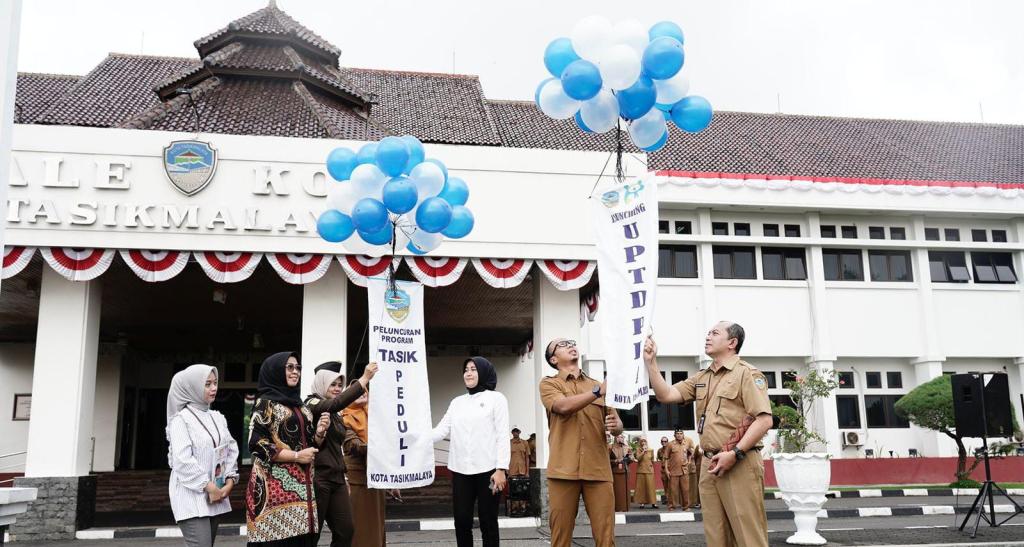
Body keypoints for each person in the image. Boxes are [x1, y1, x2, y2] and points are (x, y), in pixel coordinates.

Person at [645, 322, 774, 547]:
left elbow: (763, 419)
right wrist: (651, 362)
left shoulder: (747, 373)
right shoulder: (702, 377)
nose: (708, 337)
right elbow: (666, 394)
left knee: (748, 534)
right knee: (716, 534)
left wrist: (734, 452)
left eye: (715, 333)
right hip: (709, 462)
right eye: (707, 333)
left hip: (739, 461)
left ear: (732, 343)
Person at [539, 337, 623, 547]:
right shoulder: (549, 384)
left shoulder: (597, 384)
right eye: (562, 345)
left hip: (599, 469)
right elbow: (563, 406)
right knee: (561, 537)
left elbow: (617, 423)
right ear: (553, 358)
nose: (570, 345)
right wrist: (596, 393)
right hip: (562, 470)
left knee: (606, 537)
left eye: (572, 342)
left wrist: (617, 425)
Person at [244, 352, 331, 546]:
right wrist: (297, 456)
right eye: (289, 367)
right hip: (274, 491)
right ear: (275, 371)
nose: (295, 372)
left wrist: (319, 434)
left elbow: (309, 446)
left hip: (303, 491)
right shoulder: (265, 403)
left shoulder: (300, 406)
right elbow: (257, 444)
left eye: (298, 367)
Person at [431, 357, 510, 547]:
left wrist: (501, 469)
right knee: (462, 520)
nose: (468, 373)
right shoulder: (457, 402)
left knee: (488, 520)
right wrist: (411, 437)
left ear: (483, 372)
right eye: (466, 369)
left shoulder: (496, 398)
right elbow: (441, 431)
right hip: (460, 471)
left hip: (489, 471)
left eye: (473, 369)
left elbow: (502, 435)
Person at [304, 361, 378, 547]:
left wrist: (344, 477)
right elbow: (336, 404)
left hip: (337, 478)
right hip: (318, 478)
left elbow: (336, 448)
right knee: (313, 534)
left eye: (339, 385)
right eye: (333, 384)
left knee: (346, 531)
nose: (337, 389)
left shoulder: (335, 414)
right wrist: (364, 378)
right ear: (321, 383)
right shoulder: (311, 403)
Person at [166, 365, 239, 547]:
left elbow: (230, 448)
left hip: (216, 494)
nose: (214, 388)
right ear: (193, 387)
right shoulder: (180, 420)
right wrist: (208, 486)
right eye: (207, 384)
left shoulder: (217, 417)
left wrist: (229, 480)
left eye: (215, 383)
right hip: (191, 496)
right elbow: (182, 461)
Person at [342, 379, 386, 547]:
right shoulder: (345, 417)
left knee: (376, 527)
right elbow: (352, 445)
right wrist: (378, 447)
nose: (361, 393)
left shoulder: (374, 417)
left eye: (363, 390)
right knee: (361, 529)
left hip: (377, 479)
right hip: (358, 481)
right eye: (356, 391)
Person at [508, 427, 531, 516]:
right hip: (512, 470)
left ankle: (523, 508)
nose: (515, 433)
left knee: (523, 490)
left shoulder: (525, 443)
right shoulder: (509, 443)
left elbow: (527, 458)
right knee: (513, 491)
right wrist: (507, 470)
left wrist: (527, 471)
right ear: (512, 433)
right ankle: (514, 508)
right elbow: (506, 457)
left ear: (520, 432)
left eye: (517, 431)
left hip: (522, 470)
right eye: (514, 431)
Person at [666, 430, 691, 510]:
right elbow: (666, 458)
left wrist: (689, 461)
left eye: (681, 434)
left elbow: (690, 452)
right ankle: (671, 506)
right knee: (673, 490)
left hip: (684, 470)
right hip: (673, 471)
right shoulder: (670, 444)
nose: (679, 435)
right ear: (674, 435)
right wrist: (666, 470)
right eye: (677, 434)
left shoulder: (686, 443)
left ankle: (686, 506)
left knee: (685, 489)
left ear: (683, 435)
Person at [632, 438, 657, 509]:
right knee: (642, 487)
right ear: (640, 443)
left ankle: (653, 503)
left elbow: (652, 460)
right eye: (642, 441)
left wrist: (652, 468)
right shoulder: (638, 450)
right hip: (641, 470)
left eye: (644, 441)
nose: (643, 443)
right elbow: (638, 458)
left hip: (649, 470)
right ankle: (642, 503)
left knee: (651, 487)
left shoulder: (651, 450)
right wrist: (643, 451)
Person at [609, 434, 631, 512]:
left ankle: (625, 507)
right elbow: (606, 460)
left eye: (621, 437)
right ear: (615, 438)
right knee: (617, 491)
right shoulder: (610, 447)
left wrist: (629, 458)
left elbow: (631, 459)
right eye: (618, 437)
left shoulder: (626, 447)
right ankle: (616, 507)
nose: (620, 438)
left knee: (624, 491)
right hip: (614, 471)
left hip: (624, 471)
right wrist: (615, 461)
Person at [656, 437, 671, 506]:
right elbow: (659, 458)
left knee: (671, 485)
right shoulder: (659, 450)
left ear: (667, 442)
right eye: (662, 441)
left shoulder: (670, 449)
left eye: (665, 441)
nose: (664, 442)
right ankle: (667, 500)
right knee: (665, 486)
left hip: (670, 469)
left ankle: (672, 500)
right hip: (663, 470)